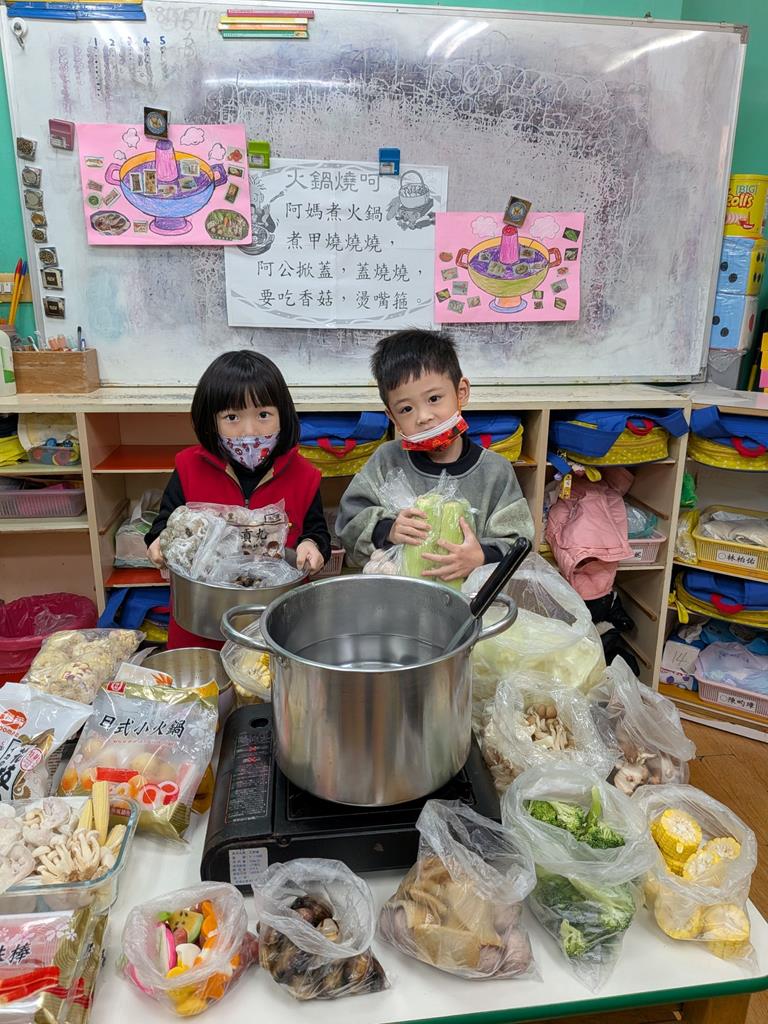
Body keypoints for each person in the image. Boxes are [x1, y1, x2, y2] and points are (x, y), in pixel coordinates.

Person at [146, 350, 331, 649]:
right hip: (201, 621)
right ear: (211, 421)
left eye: (263, 415)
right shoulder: (189, 468)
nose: (250, 431)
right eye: (232, 417)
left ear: (283, 415)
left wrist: (312, 545)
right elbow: (163, 525)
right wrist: (158, 543)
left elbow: (317, 532)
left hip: (274, 624)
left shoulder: (304, 476)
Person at [336, 330, 534, 581]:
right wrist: (388, 529)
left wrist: (481, 556)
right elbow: (349, 521)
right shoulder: (387, 461)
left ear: (461, 392)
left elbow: (519, 543)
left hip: (471, 597)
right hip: (399, 592)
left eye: (434, 398)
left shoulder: (495, 471)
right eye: (406, 409)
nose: (423, 417)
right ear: (392, 417)